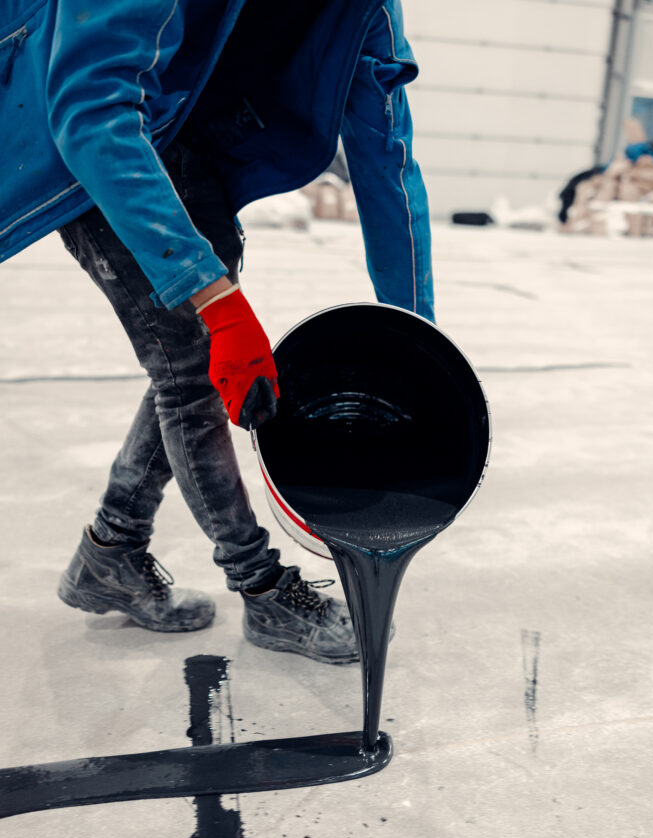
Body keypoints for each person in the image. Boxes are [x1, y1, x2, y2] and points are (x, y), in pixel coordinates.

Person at [0, 0, 433, 665]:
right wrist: (218, 302)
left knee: (192, 363)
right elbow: (91, 109)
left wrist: (418, 337)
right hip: (82, 131)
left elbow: (387, 153)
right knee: (191, 360)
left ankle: (111, 551)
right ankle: (261, 588)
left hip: (190, 134)